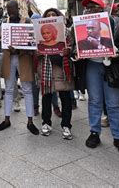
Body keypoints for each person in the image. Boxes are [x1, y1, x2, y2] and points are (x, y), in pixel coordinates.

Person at [76, 0, 119, 156]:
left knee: (114, 103)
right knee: (94, 101)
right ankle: (94, 133)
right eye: (88, 7)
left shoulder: (115, 23)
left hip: (111, 66)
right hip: (92, 65)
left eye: (95, 6)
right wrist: (76, 53)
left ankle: (118, 137)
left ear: (102, 9)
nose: (91, 9)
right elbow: (75, 45)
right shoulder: (81, 24)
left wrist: (118, 51)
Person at [0, 0, 39, 135]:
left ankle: (30, 121)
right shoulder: (5, 22)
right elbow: (3, 39)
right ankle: (7, 119)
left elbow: (32, 40)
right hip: (9, 58)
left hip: (23, 58)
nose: (10, 11)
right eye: (8, 8)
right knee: (8, 89)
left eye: (12, 8)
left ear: (18, 8)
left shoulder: (26, 21)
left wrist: (19, 49)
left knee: (27, 89)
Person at [36, 8, 73, 140]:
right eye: (48, 15)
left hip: (62, 68)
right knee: (46, 97)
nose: (51, 16)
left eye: (54, 15)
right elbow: (34, 49)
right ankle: (46, 123)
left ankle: (66, 125)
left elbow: (72, 47)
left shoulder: (66, 32)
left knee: (65, 97)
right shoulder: (38, 35)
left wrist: (68, 51)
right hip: (45, 67)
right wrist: (37, 53)